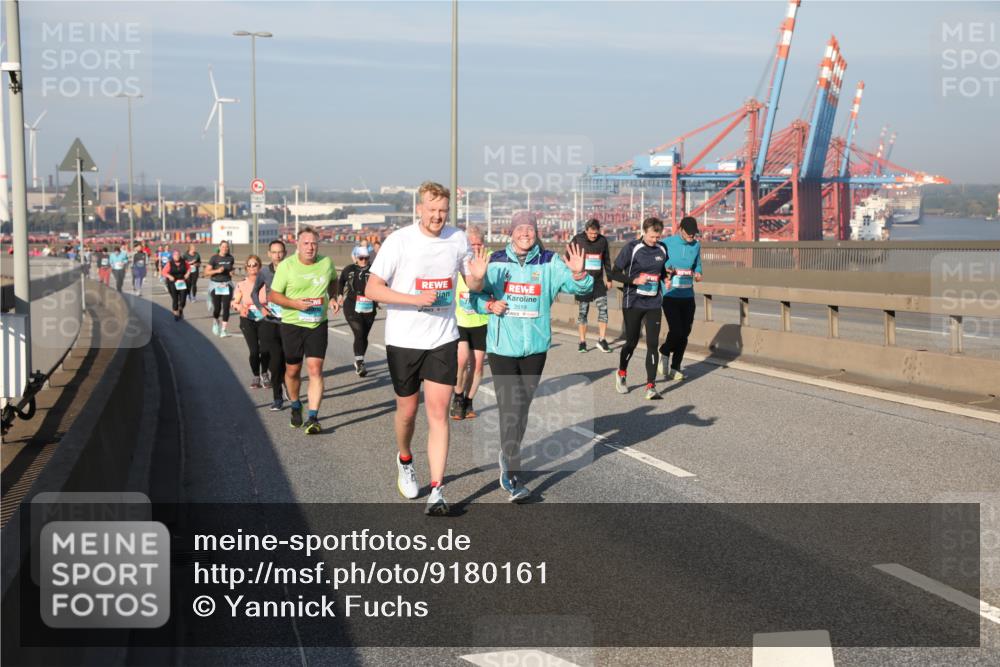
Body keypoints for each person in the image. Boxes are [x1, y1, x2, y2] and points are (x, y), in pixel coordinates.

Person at [365, 181, 488, 516]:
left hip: (442, 339)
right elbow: (373, 288)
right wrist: (414, 299)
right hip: (404, 340)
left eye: (443, 210)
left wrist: (478, 278)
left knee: (438, 413)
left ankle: (437, 490)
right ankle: (405, 459)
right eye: (432, 210)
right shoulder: (399, 241)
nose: (437, 216)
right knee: (407, 412)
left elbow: (471, 282)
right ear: (419, 209)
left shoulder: (457, 239)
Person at [469, 213, 592, 502]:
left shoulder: (549, 261)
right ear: (511, 233)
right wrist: (489, 304)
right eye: (520, 228)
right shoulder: (496, 261)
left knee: (521, 409)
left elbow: (581, 289)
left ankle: (506, 451)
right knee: (510, 407)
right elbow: (473, 298)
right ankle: (512, 473)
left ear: (536, 233)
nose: (525, 233)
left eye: (530, 229)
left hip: (535, 348)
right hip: (502, 348)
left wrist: (578, 274)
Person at [268, 227, 340, 434]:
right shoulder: (287, 266)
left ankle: (313, 418)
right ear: (297, 246)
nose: (310, 247)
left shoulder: (326, 263)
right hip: (292, 324)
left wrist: (333, 297)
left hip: (317, 324)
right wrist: (295, 304)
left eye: (314, 243)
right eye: (306, 243)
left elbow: (333, 280)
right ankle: (295, 404)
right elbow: (273, 296)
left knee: (315, 369)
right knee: (293, 370)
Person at [610, 217, 672, 400]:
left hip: (654, 303)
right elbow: (614, 273)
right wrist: (634, 280)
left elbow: (661, 270)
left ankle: (651, 386)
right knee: (632, 342)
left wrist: (665, 278)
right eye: (652, 236)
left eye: (658, 237)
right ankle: (622, 373)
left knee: (653, 344)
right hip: (633, 302)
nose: (655, 240)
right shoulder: (632, 248)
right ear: (644, 232)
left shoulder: (662, 248)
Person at [451, 226, 489, 421]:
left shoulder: (489, 261)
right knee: (462, 360)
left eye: (478, 244)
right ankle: (458, 397)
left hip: (481, 321)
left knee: (478, 366)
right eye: (471, 244)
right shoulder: (459, 262)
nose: (475, 248)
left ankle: (469, 401)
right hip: (460, 320)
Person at [659, 216, 703, 381]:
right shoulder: (667, 243)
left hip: (688, 295)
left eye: (694, 233)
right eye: (689, 232)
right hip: (670, 295)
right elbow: (657, 261)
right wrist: (665, 270)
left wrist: (698, 273)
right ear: (681, 230)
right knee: (676, 330)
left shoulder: (696, 245)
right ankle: (664, 351)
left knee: (684, 333)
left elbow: (697, 264)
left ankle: (675, 368)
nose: (692, 235)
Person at [252, 240, 289, 411]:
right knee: (275, 362)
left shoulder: (291, 269)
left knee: (289, 360)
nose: (277, 255)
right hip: (271, 322)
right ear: (269, 254)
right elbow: (254, 293)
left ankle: (288, 382)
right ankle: (277, 397)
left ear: (285, 253)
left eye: (280, 252)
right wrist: (261, 308)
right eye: (274, 252)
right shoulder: (264, 272)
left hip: (289, 321)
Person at [571, 219, 613, 353]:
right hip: (583, 282)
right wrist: (574, 273)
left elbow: (607, 260)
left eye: (596, 233)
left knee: (603, 309)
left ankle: (602, 339)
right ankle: (582, 342)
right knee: (583, 312)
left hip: (598, 281)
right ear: (586, 231)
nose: (594, 236)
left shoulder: (603, 241)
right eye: (591, 233)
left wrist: (609, 278)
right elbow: (569, 257)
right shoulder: (578, 239)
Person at [337, 245, 378, 377]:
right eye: (361, 258)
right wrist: (339, 295)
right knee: (359, 332)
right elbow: (341, 281)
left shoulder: (375, 270)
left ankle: (360, 360)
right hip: (351, 305)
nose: (364, 261)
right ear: (356, 258)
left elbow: (384, 284)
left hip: (369, 306)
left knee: (364, 335)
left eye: (366, 258)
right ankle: (360, 362)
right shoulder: (349, 269)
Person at [233, 255, 271, 389]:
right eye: (249, 265)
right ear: (246, 268)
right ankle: (256, 375)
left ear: (259, 266)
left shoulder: (266, 283)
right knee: (254, 351)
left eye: (254, 265)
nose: (251, 267)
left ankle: (264, 373)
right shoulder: (241, 284)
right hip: (247, 319)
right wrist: (240, 307)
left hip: (264, 318)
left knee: (265, 349)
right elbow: (235, 302)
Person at [204, 240, 236, 337]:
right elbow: (206, 272)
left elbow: (231, 269)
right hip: (215, 284)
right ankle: (215, 321)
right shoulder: (214, 258)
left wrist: (231, 272)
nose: (225, 248)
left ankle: (223, 330)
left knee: (226, 307)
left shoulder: (230, 258)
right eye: (223, 246)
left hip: (227, 284)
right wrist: (217, 271)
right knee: (217, 307)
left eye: (226, 247)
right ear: (219, 247)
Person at [160, 248, 192, 320]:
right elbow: (164, 272)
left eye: (178, 254)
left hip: (182, 282)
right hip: (173, 283)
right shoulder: (170, 263)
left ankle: (180, 309)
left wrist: (187, 274)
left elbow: (189, 268)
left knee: (183, 300)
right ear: (173, 256)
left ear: (180, 255)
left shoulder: (184, 262)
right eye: (175, 255)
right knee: (175, 299)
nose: (177, 256)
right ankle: (176, 314)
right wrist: (169, 276)